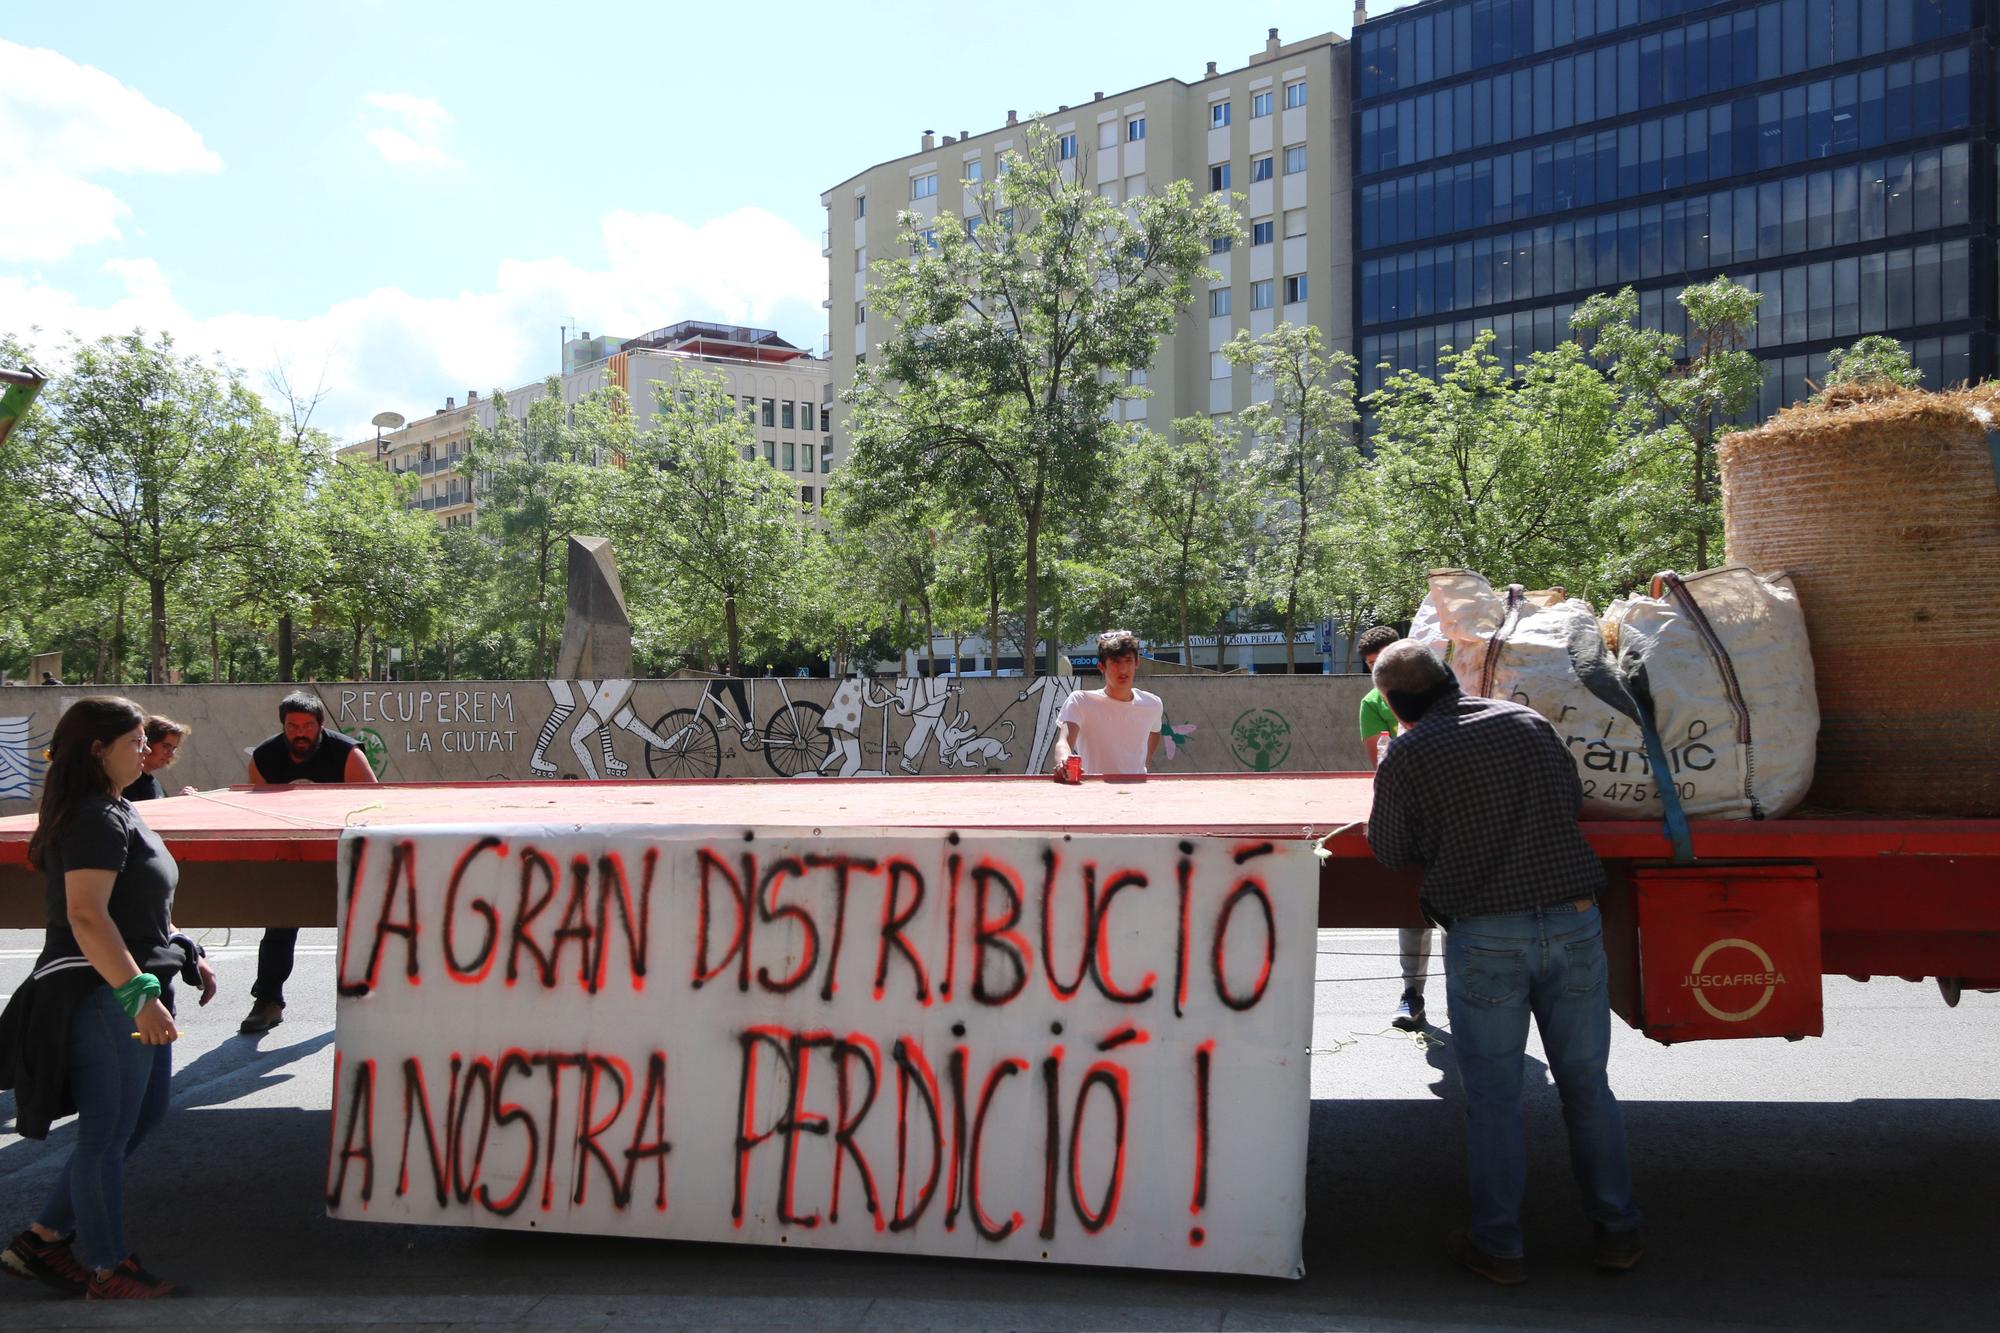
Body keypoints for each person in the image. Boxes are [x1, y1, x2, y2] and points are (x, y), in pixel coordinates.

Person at [1364, 641, 1642, 1284]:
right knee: (1587, 1087)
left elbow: (1388, 850)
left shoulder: (1408, 752)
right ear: (1445, 681)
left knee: (1493, 1099)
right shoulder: (1527, 721)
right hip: (1573, 919)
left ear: (1396, 704)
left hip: (1486, 933)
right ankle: (1618, 1231)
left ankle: (1501, 1244)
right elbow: (1569, 797)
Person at [0, 696, 218, 1299]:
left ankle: (43, 1238)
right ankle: (106, 1266)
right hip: (103, 995)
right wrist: (139, 994)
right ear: (98, 750)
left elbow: (134, 907)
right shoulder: (95, 815)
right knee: (106, 1135)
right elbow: (86, 917)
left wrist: (180, 946)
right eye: (135, 741)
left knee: (136, 1121)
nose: (148, 750)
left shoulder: (119, 806)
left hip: (129, 986)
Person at [240, 692, 377, 1034]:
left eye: (307, 726)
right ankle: (268, 1000)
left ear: (320, 725)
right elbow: (257, 816)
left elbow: (376, 807)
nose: (300, 732)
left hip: (344, 849)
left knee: (357, 927)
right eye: (292, 726)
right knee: (279, 923)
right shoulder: (265, 757)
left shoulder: (348, 754)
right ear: (283, 726)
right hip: (291, 851)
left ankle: (363, 1002)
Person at [1356, 625, 1434, 1033]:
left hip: (1451, 814)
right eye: (1374, 668)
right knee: (1414, 909)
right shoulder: (1373, 703)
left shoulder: (1441, 694)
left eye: (1387, 664)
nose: (1382, 676)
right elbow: (1384, 769)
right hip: (1415, 815)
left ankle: (1470, 998)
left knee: (1465, 915)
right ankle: (1413, 993)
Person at [1049, 630, 1162, 781]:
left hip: (1138, 794)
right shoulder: (1080, 701)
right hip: (1095, 794)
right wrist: (1063, 761)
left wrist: (1144, 765)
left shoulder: (1153, 704)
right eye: (1115, 662)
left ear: (1137, 663)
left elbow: (1155, 732)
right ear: (1101, 666)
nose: (1123, 669)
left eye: (1128, 660)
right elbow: (1063, 742)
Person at [121, 717, 191, 803]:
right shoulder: (126, 782)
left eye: (173, 749)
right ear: (147, 743)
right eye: (166, 746)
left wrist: (179, 802)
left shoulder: (155, 783)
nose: (170, 754)